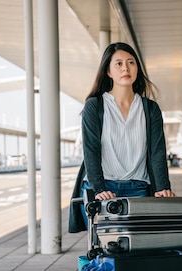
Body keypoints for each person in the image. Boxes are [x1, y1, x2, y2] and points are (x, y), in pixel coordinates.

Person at [69, 42, 175, 233]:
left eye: (131, 62)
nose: (125, 68)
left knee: (138, 253)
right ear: (108, 71)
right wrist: (99, 190)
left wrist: (163, 187)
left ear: (137, 68)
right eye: (118, 63)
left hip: (139, 190)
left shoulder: (150, 109)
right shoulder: (95, 106)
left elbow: (158, 152)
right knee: (106, 253)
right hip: (104, 190)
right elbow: (91, 151)